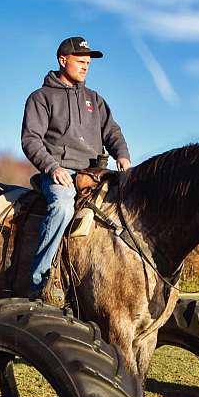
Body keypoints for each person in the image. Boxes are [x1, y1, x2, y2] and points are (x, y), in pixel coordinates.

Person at [21, 36, 131, 297]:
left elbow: (112, 132)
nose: (85, 67)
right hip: (61, 173)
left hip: (95, 173)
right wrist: (52, 168)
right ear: (63, 60)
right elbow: (30, 139)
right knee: (62, 205)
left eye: (88, 63)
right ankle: (41, 281)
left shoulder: (95, 100)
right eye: (80, 61)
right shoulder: (40, 98)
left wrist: (123, 156)